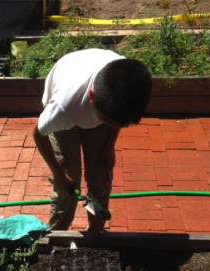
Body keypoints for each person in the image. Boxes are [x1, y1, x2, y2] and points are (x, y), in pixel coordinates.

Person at [32, 48, 152, 232]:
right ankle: (57, 234)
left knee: (101, 178)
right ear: (92, 97)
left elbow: (115, 119)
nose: (112, 125)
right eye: (107, 121)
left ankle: (96, 233)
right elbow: (38, 135)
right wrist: (57, 174)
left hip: (95, 105)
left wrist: (109, 145)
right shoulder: (64, 109)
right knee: (68, 184)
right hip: (68, 115)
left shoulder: (125, 81)